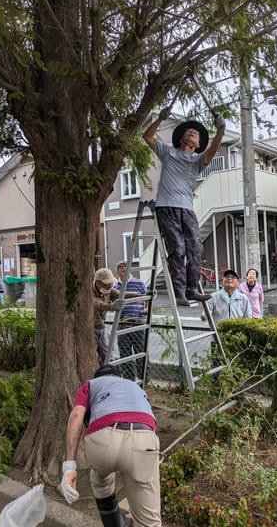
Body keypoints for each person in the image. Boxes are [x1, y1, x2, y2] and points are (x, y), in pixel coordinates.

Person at [61, 364, 170, 527]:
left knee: (100, 480)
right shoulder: (136, 387)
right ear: (119, 376)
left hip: (102, 442)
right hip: (143, 442)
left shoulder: (91, 385)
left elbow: (76, 415)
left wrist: (69, 467)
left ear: (98, 377)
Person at [143, 109, 226, 307]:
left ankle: (192, 290)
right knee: (177, 249)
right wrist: (160, 118)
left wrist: (220, 131)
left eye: (196, 134)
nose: (192, 133)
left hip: (187, 209)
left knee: (196, 247)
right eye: (189, 131)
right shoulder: (168, 152)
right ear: (181, 139)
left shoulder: (198, 161)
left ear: (198, 145)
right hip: (167, 207)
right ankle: (180, 292)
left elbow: (212, 152)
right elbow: (147, 136)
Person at [114, 260, 148, 381]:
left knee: (141, 352)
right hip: (122, 324)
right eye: (120, 266)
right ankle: (129, 380)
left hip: (138, 323)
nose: (123, 268)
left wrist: (146, 309)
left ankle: (144, 379)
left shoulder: (139, 283)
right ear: (117, 271)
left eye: (126, 266)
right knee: (125, 354)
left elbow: (148, 297)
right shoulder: (115, 286)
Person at [93, 268, 125, 365]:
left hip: (101, 327)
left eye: (111, 283)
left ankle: (108, 376)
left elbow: (121, 295)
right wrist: (111, 306)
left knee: (107, 356)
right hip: (89, 328)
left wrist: (140, 295)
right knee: (91, 355)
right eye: (107, 283)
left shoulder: (109, 290)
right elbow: (96, 304)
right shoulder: (88, 291)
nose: (110, 286)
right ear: (98, 282)